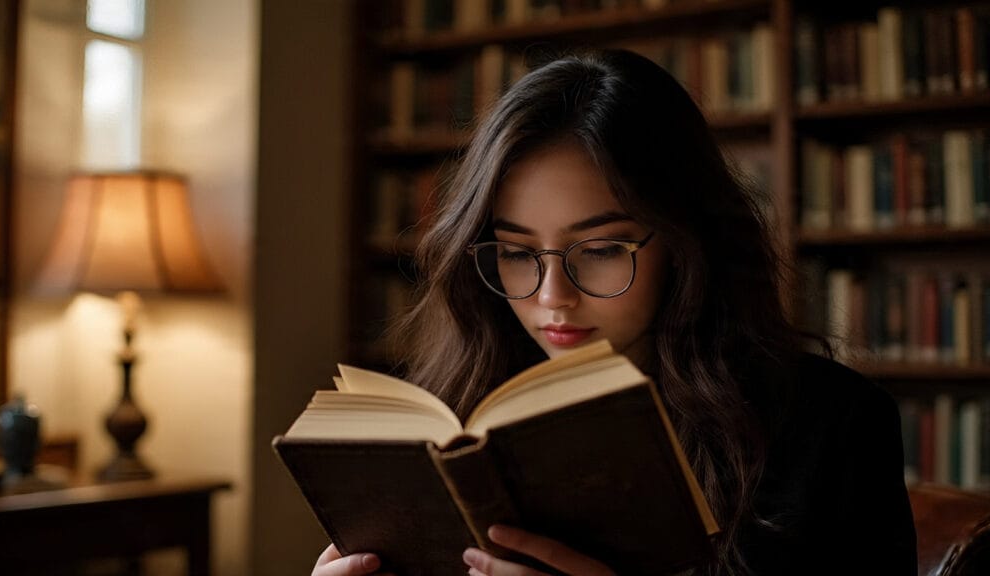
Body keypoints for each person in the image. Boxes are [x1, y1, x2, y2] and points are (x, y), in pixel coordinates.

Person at [313, 48, 917, 575]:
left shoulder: (833, 427)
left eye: (601, 250)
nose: (552, 296)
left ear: (686, 243)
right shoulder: (459, 422)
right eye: (517, 253)